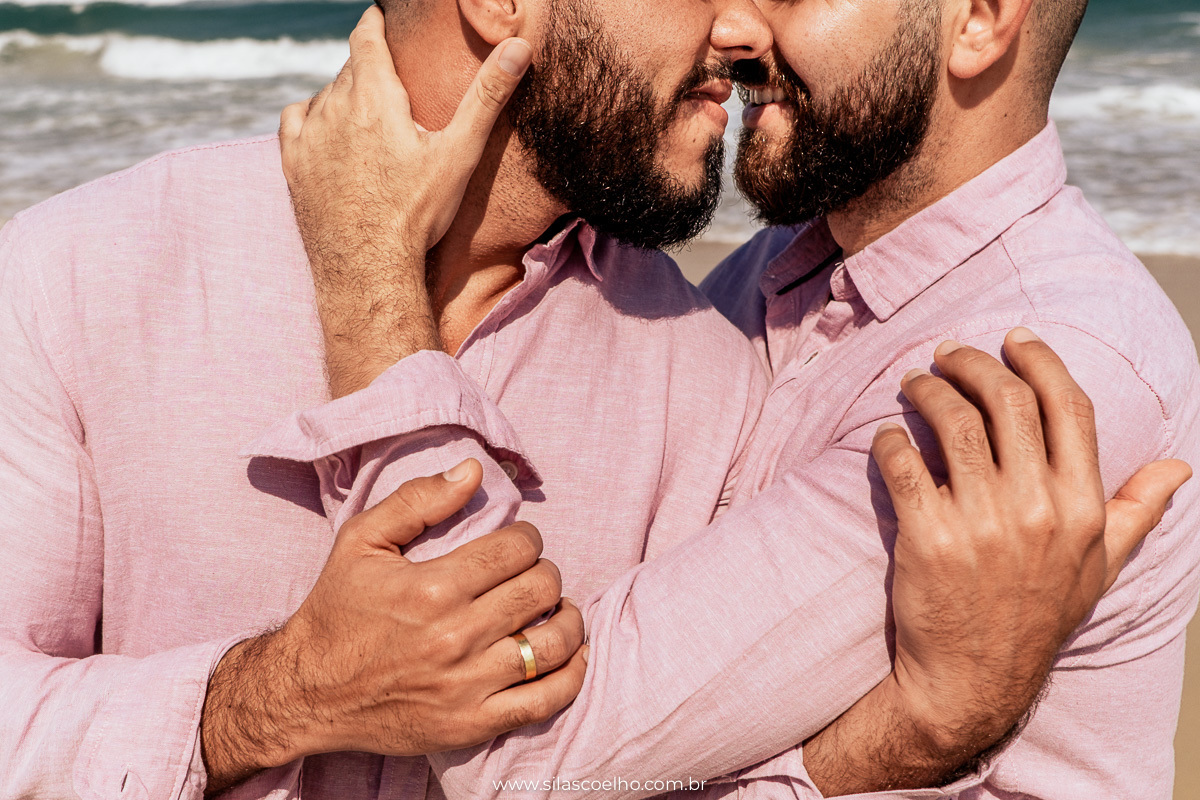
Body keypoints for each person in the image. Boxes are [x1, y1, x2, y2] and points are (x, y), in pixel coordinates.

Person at [0, 6, 1186, 800]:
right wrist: (255, 701)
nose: (738, 22)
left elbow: (555, 754)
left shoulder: (1014, 371)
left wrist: (926, 730)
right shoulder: (79, 271)